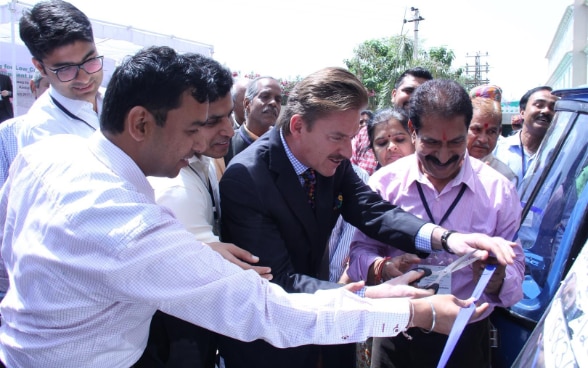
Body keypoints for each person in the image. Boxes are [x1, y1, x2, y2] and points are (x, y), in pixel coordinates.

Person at [0, 45, 488, 368]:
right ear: (141, 122)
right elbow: (267, 310)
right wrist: (415, 313)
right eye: (193, 128)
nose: (203, 144)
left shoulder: (46, 155)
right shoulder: (127, 226)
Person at [218, 67, 517, 368]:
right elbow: (279, 281)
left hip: (326, 339)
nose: (349, 151)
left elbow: (374, 211)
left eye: (352, 137)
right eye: (338, 138)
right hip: (272, 345)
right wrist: (371, 295)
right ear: (298, 126)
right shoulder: (247, 178)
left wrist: (448, 239)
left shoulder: (330, 159)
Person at [347, 79, 525, 368]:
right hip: (396, 332)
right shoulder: (384, 185)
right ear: (413, 133)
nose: (443, 157)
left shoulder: (499, 191)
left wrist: (498, 278)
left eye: (455, 142)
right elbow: (357, 255)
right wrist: (383, 268)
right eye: (431, 143)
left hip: (467, 340)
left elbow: (517, 276)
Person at [142, 56, 270, 368]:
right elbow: (199, 271)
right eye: (211, 122)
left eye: (228, 116)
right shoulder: (175, 186)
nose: (228, 129)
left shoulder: (203, 160)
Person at [494, 86, 558, 189]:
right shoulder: (497, 149)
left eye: (553, 108)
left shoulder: (558, 157)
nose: (546, 111)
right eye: (539, 105)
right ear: (522, 112)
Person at [0, 72, 50, 187]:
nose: (59, 94)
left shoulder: (91, 133)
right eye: (49, 86)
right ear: (34, 88)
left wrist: (7, 93)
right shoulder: (7, 134)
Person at [224, 76, 282, 164]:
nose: (273, 103)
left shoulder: (285, 146)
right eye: (265, 96)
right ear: (247, 103)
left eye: (278, 100)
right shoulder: (227, 145)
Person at [468, 84, 517, 184]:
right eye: (477, 130)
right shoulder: (444, 168)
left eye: (491, 132)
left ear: (499, 132)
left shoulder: (505, 177)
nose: (483, 139)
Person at [350, 109, 378, 175]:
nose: (364, 124)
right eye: (361, 122)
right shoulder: (353, 140)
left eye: (367, 122)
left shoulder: (376, 135)